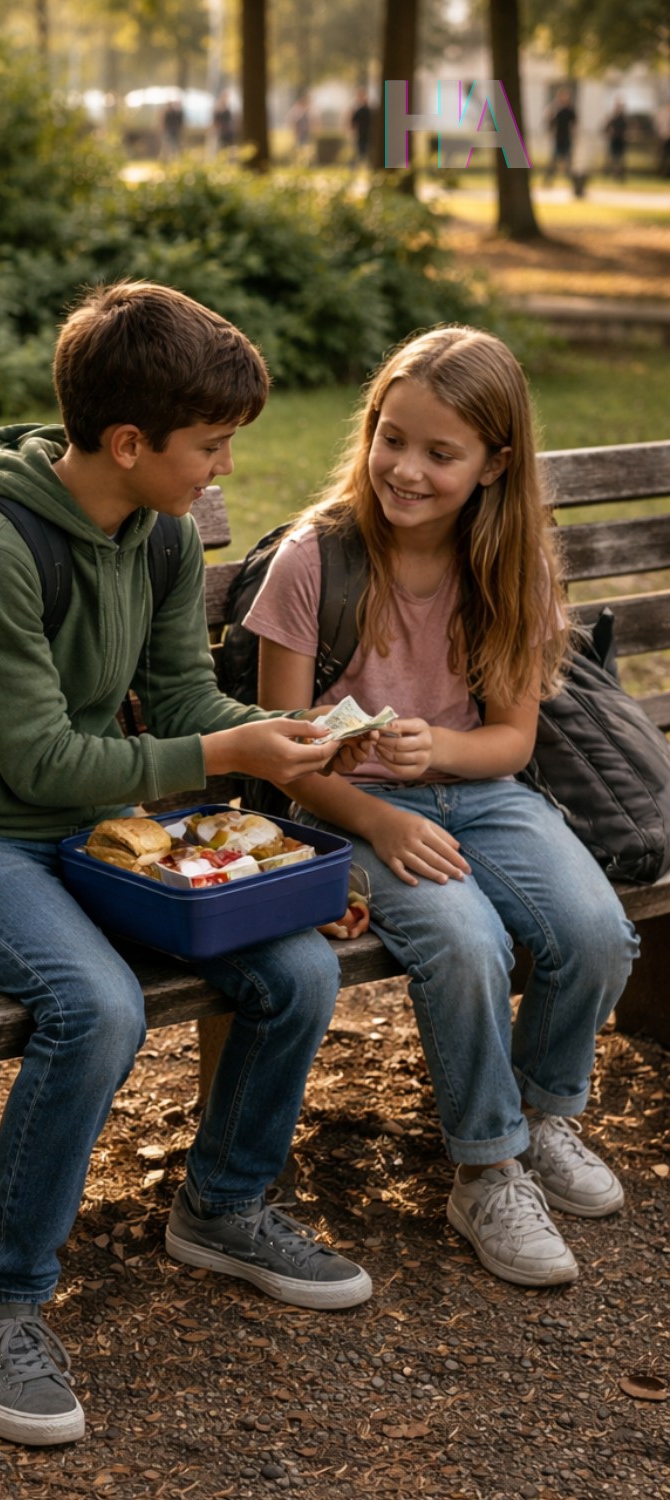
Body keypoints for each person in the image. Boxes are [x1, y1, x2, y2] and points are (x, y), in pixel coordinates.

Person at [0, 280, 374, 1447]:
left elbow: (189, 696)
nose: (224, 473)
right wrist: (223, 749)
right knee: (95, 1007)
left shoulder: (156, 533)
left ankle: (224, 1208)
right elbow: (42, 760)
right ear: (127, 442)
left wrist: (289, 739)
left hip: (94, 824)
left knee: (296, 972)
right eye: (211, 448)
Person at [248, 326, 639, 1292]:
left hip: (485, 794)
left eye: (440, 452)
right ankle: (486, 1168)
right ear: (369, 427)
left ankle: (543, 1119)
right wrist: (380, 817)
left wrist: (442, 752)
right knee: (462, 945)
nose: (405, 469)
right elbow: (280, 752)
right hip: (347, 811)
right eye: (392, 437)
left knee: (596, 933)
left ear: (495, 463)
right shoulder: (314, 561)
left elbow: (509, 742)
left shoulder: (513, 568)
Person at [544, 87, 578, 186]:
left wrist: (574, 135)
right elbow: (550, 123)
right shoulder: (555, 110)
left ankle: (574, 183)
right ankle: (548, 181)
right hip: (558, 138)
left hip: (567, 138)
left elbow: (574, 124)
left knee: (568, 162)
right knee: (553, 161)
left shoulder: (570, 110)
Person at [605, 97, 628, 182]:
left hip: (621, 140)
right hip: (614, 140)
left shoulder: (623, 118)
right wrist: (610, 132)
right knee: (614, 159)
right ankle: (614, 174)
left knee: (621, 159)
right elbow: (606, 127)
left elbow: (626, 129)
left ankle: (620, 175)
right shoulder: (613, 118)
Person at [350, 88, 373, 169]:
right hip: (363, 135)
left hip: (367, 135)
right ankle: (360, 168)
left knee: (363, 153)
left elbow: (353, 123)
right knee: (362, 153)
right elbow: (353, 123)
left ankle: (359, 168)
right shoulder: (361, 110)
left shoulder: (367, 110)